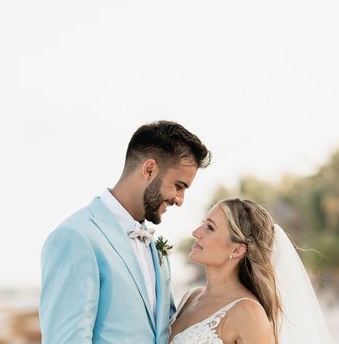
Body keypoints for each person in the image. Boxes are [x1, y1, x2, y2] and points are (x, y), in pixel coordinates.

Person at [39, 121, 211, 344]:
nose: (179, 200)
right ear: (149, 169)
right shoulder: (76, 238)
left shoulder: (156, 249)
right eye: (178, 185)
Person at [169, 198, 334, 344]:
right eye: (203, 223)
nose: (196, 232)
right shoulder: (190, 297)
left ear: (237, 250)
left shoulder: (248, 312)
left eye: (210, 228)